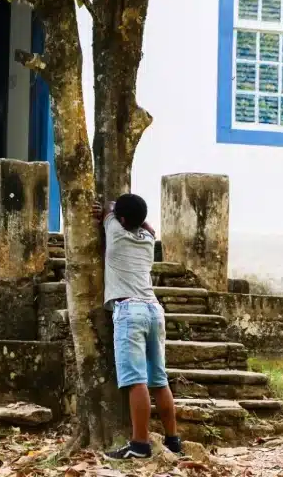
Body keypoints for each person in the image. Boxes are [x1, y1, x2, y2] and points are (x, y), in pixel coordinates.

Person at [92, 194, 181, 460]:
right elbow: (147, 226)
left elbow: (107, 212)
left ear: (121, 219)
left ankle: (139, 445)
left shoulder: (116, 235)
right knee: (159, 379)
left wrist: (106, 206)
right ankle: (173, 440)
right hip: (154, 310)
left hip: (130, 311)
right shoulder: (148, 241)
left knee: (136, 380)